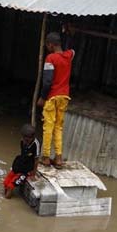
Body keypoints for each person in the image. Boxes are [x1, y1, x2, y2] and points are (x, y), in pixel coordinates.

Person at [36, 32, 74, 168]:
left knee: (48, 126)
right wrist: (69, 32)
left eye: (47, 45)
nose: (47, 47)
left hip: (52, 96)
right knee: (58, 127)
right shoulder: (69, 56)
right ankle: (58, 158)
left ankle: (45, 156)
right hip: (64, 96)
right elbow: (71, 49)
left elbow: (47, 81)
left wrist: (42, 97)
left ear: (50, 45)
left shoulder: (50, 58)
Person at [3, 124, 40, 199]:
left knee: (11, 186)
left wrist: (33, 173)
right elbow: (23, 153)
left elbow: (36, 160)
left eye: (26, 140)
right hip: (20, 163)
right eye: (23, 138)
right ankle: (5, 195)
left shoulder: (36, 144)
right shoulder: (22, 141)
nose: (24, 141)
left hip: (27, 169)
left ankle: (6, 199)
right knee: (6, 183)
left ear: (31, 138)